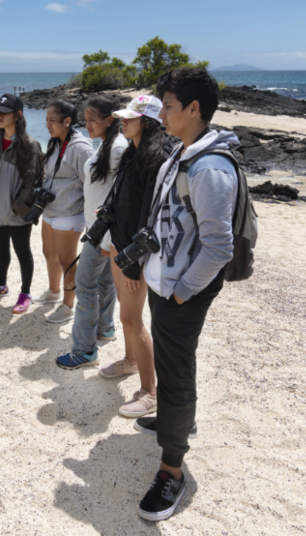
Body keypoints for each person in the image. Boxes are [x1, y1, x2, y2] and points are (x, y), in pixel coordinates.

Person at [133, 68, 240, 522]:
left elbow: (219, 246)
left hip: (181, 290)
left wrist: (181, 293)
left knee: (175, 376)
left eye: (169, 106)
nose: (162, 112)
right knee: (172, 363)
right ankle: (176, 421)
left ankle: (171, 469)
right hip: (165, 282)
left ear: (194, 109)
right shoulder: (183, 151)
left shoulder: (210, 167)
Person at [101, 94, 173, 419]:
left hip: (137, 253)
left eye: (129, 117)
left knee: (133, 319)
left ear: (147, 120)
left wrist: (135, 265)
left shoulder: (156, 158)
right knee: (123, 313)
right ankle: (130, 362)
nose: (123, 121)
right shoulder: (133, 152)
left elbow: (151, 217)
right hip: (121, 244)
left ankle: (150, 392)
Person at [55, 95, 129, 369]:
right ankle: (105, 328)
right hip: (99, 230)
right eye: (84, 120)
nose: (86, 125)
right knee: (104, 284)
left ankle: (85, 350)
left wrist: (107, 239)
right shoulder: (108, 145)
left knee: (84, 287)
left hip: (103, 234)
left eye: (91, 120)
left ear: (109, 120)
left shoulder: (118, 149)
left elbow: (121, 197)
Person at [0, 93, 45, 314]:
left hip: (16, 212)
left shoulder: (30, 146)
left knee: (23, 252)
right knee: (0, 250)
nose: (0, 117)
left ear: (18, 115)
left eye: (5, 113)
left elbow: (32, 179)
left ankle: (25, 294)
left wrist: (18, 207)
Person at [36, 100, 94, 323]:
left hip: (69, 213)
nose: (48, 125)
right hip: (50, 210)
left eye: (52, 120)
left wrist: (90, 219)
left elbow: (90, 183)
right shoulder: (55, 142)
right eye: (46, 120)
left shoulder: (80, 147)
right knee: (49, 254)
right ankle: (53, 292)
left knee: (67, 261)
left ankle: (68, 306)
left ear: (67, 121)